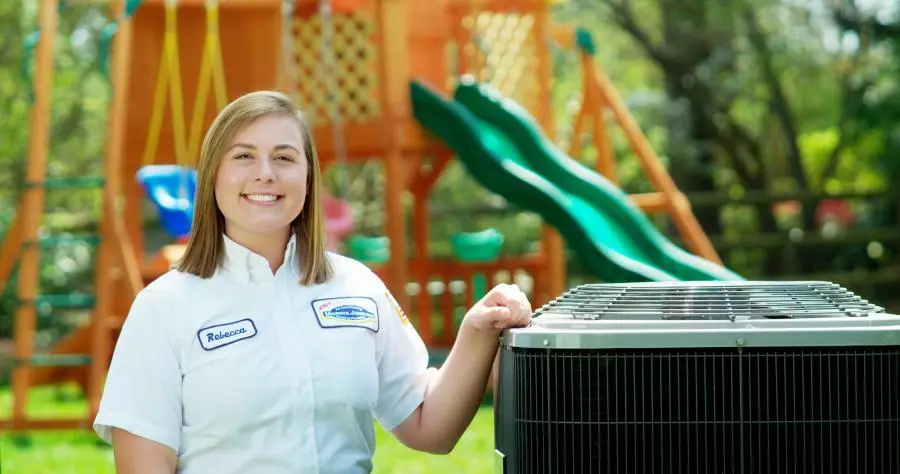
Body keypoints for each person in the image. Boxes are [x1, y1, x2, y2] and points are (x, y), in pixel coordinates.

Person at [93, 90, 532, 474]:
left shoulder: (356, 285)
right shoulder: (164, 307)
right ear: (212, 177)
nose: (265, 172)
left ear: (307, 178)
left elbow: (428, 427)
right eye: (243, 155)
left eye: (284, 157)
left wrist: (477, 330)